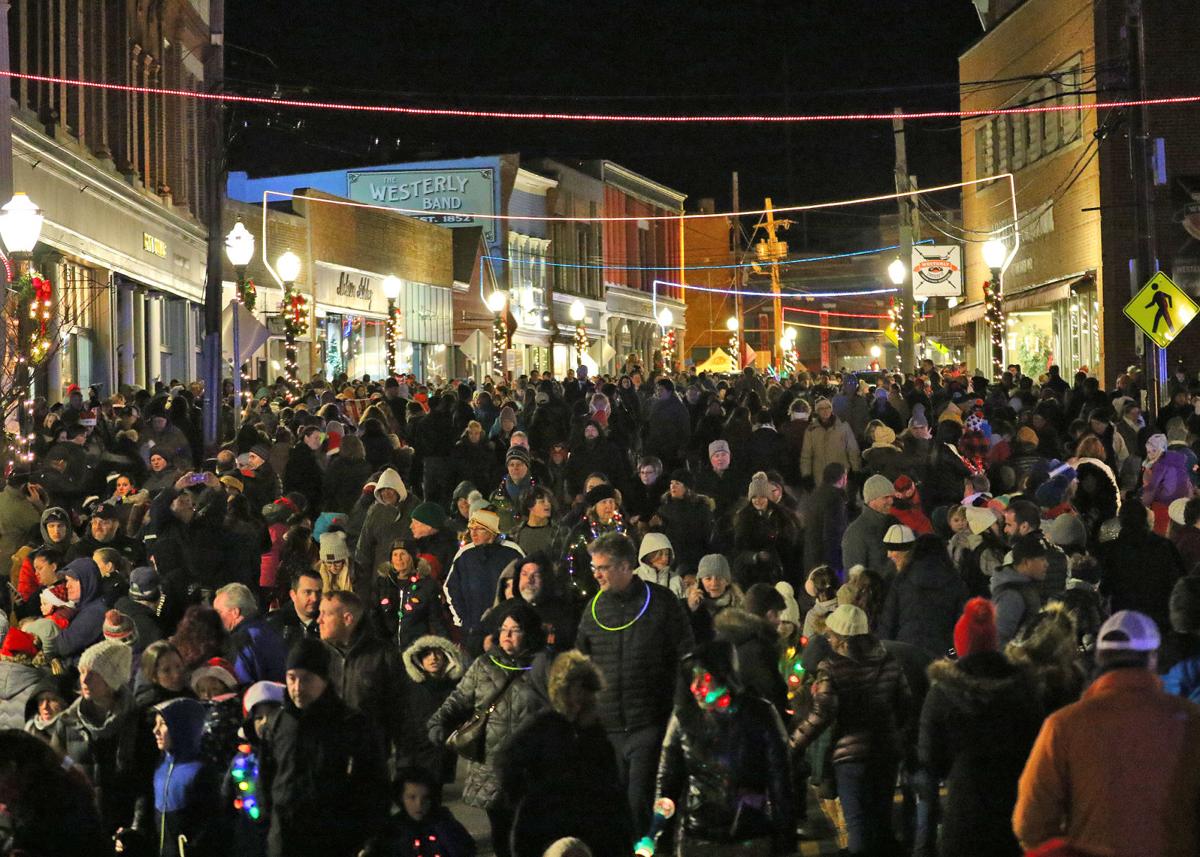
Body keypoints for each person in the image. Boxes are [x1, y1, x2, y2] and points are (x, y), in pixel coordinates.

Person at [1014, 611, 1200, 855]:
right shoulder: (1192, 720)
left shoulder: (1064, 725)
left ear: (1100, 657)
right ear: (1152, 657)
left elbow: (1030, 824)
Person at [575, 531, 694, 833]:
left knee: (639, 802)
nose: (597, 574)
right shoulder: (593, 610)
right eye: (594, 568)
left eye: (603, 567)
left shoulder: (662, 603)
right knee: (613, 804)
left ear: (626, 566)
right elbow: (581, 663)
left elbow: (686, 658)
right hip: (608, 726)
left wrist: (678, 710)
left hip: (648, 722)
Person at [918, 598, 1043, 857]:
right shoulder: (1023, 688)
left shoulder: (943, 692)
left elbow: (930, 759)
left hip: (964, 808)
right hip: (1015, 807)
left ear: (960, 644)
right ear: (994, 642)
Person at [789, 604, 911, 856]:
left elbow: (822, 714)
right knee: (881, 822)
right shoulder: (889, 660)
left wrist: (794, 744)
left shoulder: (832, 666)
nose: (829, 639)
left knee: (857, 826)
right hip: (886, 753)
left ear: (841, 639)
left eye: (831, 635)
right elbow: (904, 704)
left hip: (851, 756)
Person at [428, 601, 547, 857]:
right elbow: (459, 699)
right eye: (503, 629)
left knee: (528, 831)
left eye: (515, 629)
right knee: (501, 831)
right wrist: (438, 722)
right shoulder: (485, 664)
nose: (507, 635)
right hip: (492, 764)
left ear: (529, 633)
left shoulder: (543, 667)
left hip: (531, 767)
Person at [656, 640, 796, 856]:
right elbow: (667, 783)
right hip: (699, 836)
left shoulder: (760, 714)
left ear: (724, 675)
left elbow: (780, 779)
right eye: (693, 679)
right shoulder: (683, 719)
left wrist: (784, 835)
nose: (696, 688)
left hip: (750, 835)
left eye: (704, 678)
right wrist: (660, 837)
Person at [260, 637, 389, 857]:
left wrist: (368, 837)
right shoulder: (278, 723)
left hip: (331, 839)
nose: (297, 688)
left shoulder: (350, 724)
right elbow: (266, 775)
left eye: (307, 679)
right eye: (292, 678)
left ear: (324, 679)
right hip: (284, 839)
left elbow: (373, 784)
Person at [499, 650, 631, 857]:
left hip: (591, 827)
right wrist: (527, 802)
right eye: (574, 686)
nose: (580, 694)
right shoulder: (543, 725)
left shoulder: (595, 732)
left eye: (584, 687)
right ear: (563, 689)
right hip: (548, 827)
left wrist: (621, 829)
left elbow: (610, 783)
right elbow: (507, 763)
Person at [318, 589, 406, 758]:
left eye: (326, 614)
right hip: (327, 756)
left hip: (370, 757)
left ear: (347, 619)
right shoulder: (318, 654)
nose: (319, 620)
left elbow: (401, 712)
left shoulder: (383, 656)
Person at [879, 533, 968, 659]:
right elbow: (962, 623)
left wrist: (884, 653)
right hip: (941, 651)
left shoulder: (902, 579)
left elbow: (888, 621)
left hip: (905, 648)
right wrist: (953, 654)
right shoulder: (955, 581)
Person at [362, 766, 477, 857]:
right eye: (412, 797)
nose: (419, 804)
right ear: (401, 797)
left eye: (425, 798)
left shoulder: (444, 823)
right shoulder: (393, 830)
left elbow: (464, 851)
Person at [444, 508, 524, 637]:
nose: (473, 533)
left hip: (506, 627)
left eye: (479, 529)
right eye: (471, 528)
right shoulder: (464, 554)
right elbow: (451, 587)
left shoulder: (512, 552)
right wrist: (463, 620)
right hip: (473, 628)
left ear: (492, 532)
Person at [399, 635, 464, 786]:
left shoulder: (455, 686)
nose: (433, 658)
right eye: (427, 654)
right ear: (419, 659)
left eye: (437, 654)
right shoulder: (410, 687)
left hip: (443, 748)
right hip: (417, 750)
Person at [374, 539, 449, 649]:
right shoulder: (383, 583)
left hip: (417, 648)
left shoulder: (426, 585)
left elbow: (436, 620)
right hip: (388, 648)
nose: (398, 559)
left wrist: (445, 646)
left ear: (412, 557)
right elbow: (374, 614)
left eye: (403, 554)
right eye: (395, 555)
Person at [213, 581, 288, 685]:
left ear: (235, 612)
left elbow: (240, 683)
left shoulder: (240, 641)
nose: (215, 617)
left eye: (218, 612)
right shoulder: (271, 630)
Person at [991, 532, 1050, 647]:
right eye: (1042, 559)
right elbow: (999, 639)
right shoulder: (1012, 596)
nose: (1046, 564)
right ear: (1026, 562)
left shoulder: (1024, 586)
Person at [841, 474, 895, 576]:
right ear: (872, 500)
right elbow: (854, 579)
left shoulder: (892, 523)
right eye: (886, 497)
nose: (891, 501)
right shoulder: (856, 533)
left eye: (892, 497)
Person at [804, 462, 849, 576]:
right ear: (842, 478)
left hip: (812, 558)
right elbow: (833, 533)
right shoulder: (835, 499)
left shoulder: (814, 496)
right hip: (828, 563)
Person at [265, 567, 322, 647]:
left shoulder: (328, 622)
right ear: (293, 595)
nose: (315, 598)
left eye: (319, 592)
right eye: (307, 592)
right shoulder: (274, 624)